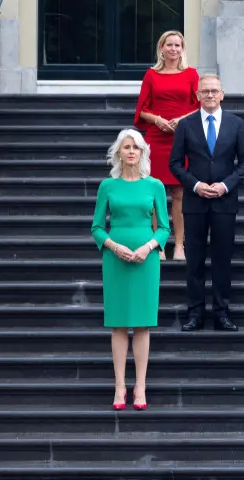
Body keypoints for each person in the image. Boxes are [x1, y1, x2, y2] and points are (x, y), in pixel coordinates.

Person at [91, 128, 169, 411]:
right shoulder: (107, 186)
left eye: (136, 147)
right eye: (127, 147)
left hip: (145, 260)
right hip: (116, 259)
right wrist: (114, 247)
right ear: (119, 152)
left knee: (142, 324)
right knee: (119, 324)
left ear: (143, 152)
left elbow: (164, 228)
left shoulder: (155, 186)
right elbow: (97, 227)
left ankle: (141, 385)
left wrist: (148, 248)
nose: (132, 151)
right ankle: (120, 385)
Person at [170, 74, 244, 332]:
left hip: (224, 202)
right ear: (197, 95)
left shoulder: (235, 123)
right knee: (194, 261)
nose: (209, 95)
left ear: (222, 94)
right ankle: (195, 314)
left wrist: (225, 184)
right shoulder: (186, 125)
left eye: (214, 91)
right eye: (205, 91)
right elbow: (174, 163)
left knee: (221, 260)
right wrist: (194, 184)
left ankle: (222, 313)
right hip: (195, 203)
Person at [132, 30, 199, 261]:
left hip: (182, 137)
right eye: (169, 45)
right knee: (154, 193)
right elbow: (141, 110)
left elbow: (201, 106)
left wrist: (181, 120)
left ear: (182, 49)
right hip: (156, 137)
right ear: (161, 48)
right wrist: (157, 120)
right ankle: (158, 244)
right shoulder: (151, 75)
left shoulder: (191, 74)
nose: (173, 49)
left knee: (179, 192)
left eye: (177, 45)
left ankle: (179, 245)